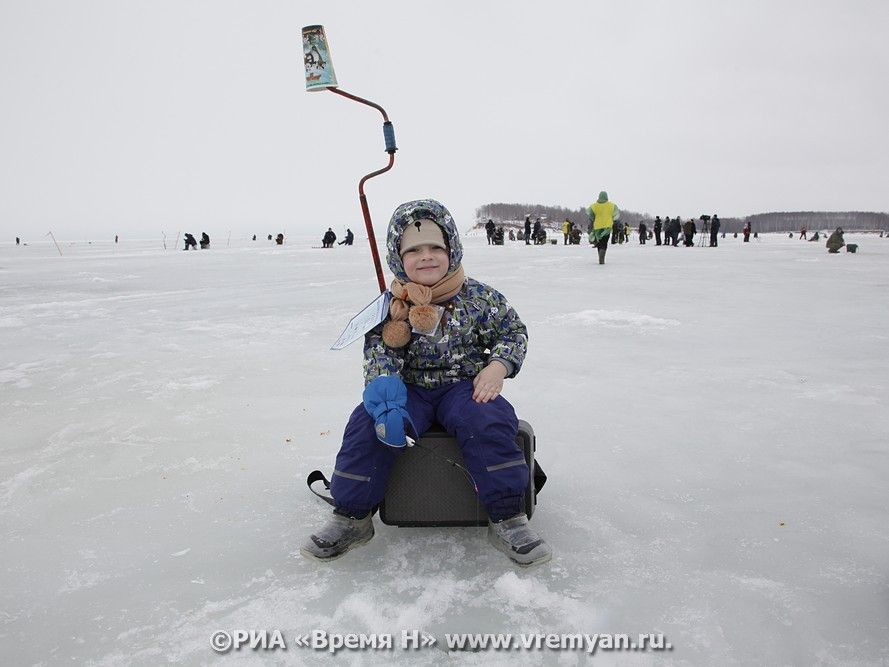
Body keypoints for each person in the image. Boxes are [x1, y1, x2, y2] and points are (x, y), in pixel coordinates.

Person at [301, 199, 551, 567]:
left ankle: (508, 518)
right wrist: (386, 400)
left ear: (452, 249)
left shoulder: (480, 297)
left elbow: (512, 332)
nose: (426, 257)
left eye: (436, 247)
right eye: (414, 250)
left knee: (488, 419)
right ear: (398, 257)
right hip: (408, 389)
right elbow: (380, 355)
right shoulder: (389, 306)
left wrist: (497, 367)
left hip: (464, 386)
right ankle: (352, 517)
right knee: (367, 424)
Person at [587, 190, 620, 265]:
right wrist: (612, 220)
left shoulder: (594, 206)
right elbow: (616, 215)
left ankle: (600, 256)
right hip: (607, 227)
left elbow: (591, 216)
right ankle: (602, 257)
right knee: (604, 242)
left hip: (597, 227)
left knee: (599, 242)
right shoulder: (612, 205)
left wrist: (592, 223)